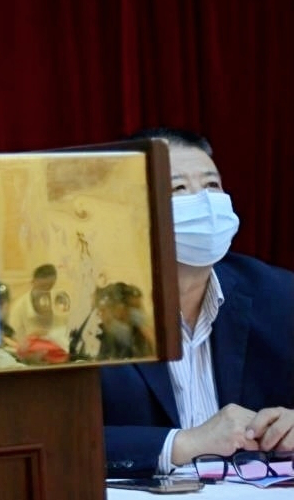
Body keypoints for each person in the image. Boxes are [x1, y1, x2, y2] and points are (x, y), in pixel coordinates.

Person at [100, 127, 294, 477]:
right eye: (178, 188)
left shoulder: (279, 296)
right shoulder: (86, 313)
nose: (205, 202)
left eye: (212, 185)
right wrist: (185, 443)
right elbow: (53, 436)